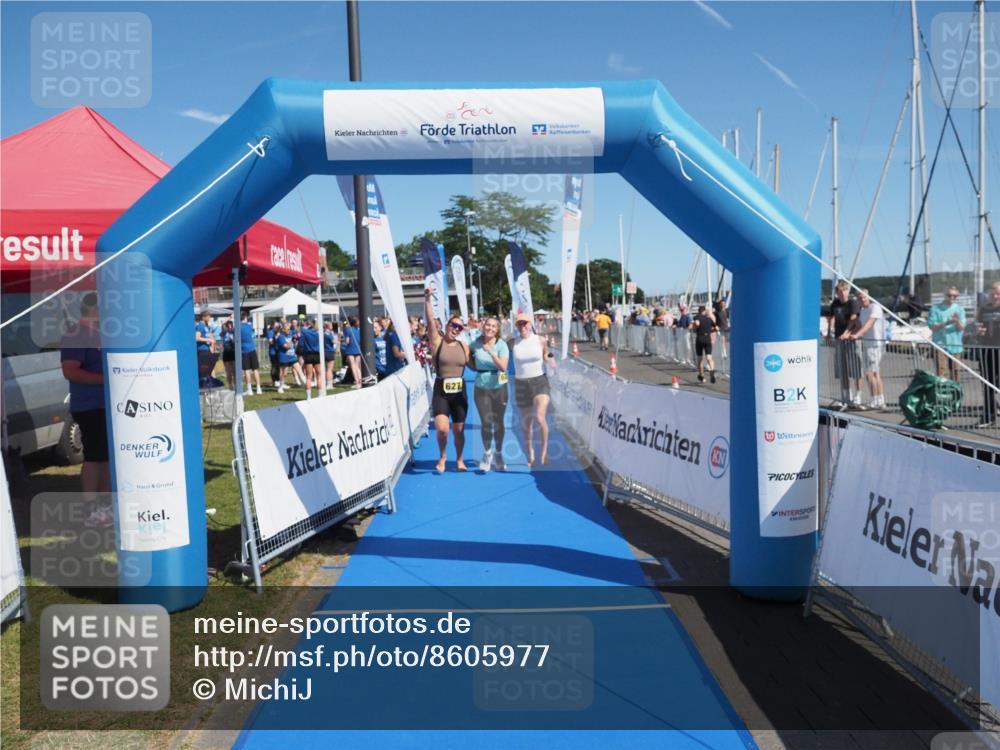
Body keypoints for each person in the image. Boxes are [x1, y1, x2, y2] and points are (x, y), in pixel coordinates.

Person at [60, 293, 112, 528]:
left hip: (105, 405)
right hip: (89, 405)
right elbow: (70, 371)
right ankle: (92, 509)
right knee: (95, 457)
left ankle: (105, 507)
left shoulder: (99, 333)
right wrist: (106, 379)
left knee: (105, 457)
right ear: (94, 309)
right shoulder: (76, 334)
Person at [425, 288, 470, 473]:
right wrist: (427, 299)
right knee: (442, 429)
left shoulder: (464, 346)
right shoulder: (437, 342)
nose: (456, 329)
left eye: (459, 327)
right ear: (448, 325)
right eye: (453, 325)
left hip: (460, 391)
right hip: (441, 390)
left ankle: (459, 459)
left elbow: (474, 364)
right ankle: (443, 456)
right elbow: (429, 322)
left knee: (459, 431)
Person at [510, 312, 556, 468]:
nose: (522, 326)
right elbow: (496, 349)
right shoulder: (512, 342)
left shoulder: (540, 340)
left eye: (525, 323)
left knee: (540, 417)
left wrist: (550, 360)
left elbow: (545, 354)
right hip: (521, 384)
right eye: (519, 324)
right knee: (526, 423)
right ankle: (530, 451)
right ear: (516, 326)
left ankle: (543, 452)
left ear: (530, 324)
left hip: (539, 381)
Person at [468, 316, 510, 472]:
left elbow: (504, 367)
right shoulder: (476, 344)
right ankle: (487, 454)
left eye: (494, 326)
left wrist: (491, 352)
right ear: (483, 326)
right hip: (481, 387)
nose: (490, 328)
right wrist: (474, 367)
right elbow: (467, 356)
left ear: (497, 329)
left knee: (498, 422)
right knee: (486, 422)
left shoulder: (502, 345)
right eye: (488, 325)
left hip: (499, 388)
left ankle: (499, 453)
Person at [827, 280, 864, 410]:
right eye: (840, 291)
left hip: (851, 339)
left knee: (856, 367)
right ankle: (845, 396)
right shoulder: (835, 303)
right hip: (839, 339)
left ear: (848, 291)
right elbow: (831, 317)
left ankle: (858, 395)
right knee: (842, 369)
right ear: (837, 292)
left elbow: (854, 319)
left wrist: (847, 333)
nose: (843, 293)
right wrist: (829, 332)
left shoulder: (853, 303)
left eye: (845, 290)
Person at [853, 289, 885, 410]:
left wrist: (858, 335)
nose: (863, 299)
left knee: (869, 373)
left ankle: (875, 399)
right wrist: (850, 334)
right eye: (860, 298)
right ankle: (879, 399)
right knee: (875, 373)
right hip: (867, 344)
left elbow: (870, 323)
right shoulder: (863, 311)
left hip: (876, 344)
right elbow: (860, 325)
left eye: (864, 297)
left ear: (868, 296)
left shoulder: (875, 307)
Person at [928, 286, 966, 382]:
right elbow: (932, 326)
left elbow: (962, 328)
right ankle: (941, 394)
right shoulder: (935, 309)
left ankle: (956, 393)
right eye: (950, 295)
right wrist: (947, 322)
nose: (952, 298)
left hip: (955, 345)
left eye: (955, 296)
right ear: (945, 295)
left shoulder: (960, 309)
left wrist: (957, 321)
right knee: (941, 371)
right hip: (940, 344)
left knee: (956, 371)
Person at [975, 281, 1000, 428]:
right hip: (986, 351)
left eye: (998, 293)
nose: (995, 296)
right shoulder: (983, 309)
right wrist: (978, 331)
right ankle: (988, 416)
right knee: (987, 384)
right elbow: (976, 326)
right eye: (993, 293)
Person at [692, 305, 718, 383]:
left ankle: (701, 375)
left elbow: (696, 323)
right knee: (709, 357)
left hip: (700, 338)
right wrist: (710, 330)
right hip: (707, 338)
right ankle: (712, 371)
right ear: (704, 311)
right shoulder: (709, 319)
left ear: (699, 311)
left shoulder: (697, 317)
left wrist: (694, 328)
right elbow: (716, 328)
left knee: (700, 359)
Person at [297, 318, 322, 398]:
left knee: (308, 377)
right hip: (317, 354)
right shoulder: (319, 332)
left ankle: (308, 396)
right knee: (319, 376)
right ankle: (319, 395)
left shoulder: (305, 332)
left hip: (308, 355)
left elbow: (301, 344)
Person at [274, 322, 300, 394]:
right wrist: (293, 340)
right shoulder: (280, 336)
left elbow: (297, 333)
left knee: (298, 370)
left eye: (289, 329)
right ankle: (280, 386)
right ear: (283, 329)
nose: (289, 330)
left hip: (291, 356)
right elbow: (287, 346)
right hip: (283, 356)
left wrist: (297, 335)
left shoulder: (291, 332)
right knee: (284, 373)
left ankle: (304, 383)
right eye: (287, 329)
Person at [342, 315, 363, 389]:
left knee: (353, 367)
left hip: (350, 349)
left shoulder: (348, 330)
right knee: (358, 367)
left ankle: (357, 382)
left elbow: (347, 341)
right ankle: (360, 381)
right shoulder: (359, 329)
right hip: (358, 349)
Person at [323, 321, 339, 391]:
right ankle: (329, 384)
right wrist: (338, 342)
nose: (332, 326)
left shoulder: (323, 333)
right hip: (329, 351)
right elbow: (334, 342)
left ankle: (327, 383)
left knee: (326, 369)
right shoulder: (328, 334)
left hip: (324, 351)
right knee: (329, 369)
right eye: (331, 325)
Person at [221, 319, 236, 388]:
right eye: (228, 326)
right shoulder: (224, 332)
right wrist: (229, 317)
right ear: (226, 327)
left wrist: (232, 339)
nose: (230, 327)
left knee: (235, 370)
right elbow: (222, 324)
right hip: (226, 353)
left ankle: (236, 385)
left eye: (231, 326)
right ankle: (230, 386)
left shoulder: (234, 332)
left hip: (233, 352)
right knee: (228, 371)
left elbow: (236, 342)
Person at [267, 321, 282, 387]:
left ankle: (278, 380)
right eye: (276, 326)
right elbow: (270, 342)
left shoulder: (279, 332)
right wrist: (275, 337)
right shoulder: (270, 332)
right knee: (274, 366)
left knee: (278, 367)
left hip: (278, 352)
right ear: (273, 326)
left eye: (278, 326)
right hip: (273, 352)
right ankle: (274, 381)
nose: (277, 327)